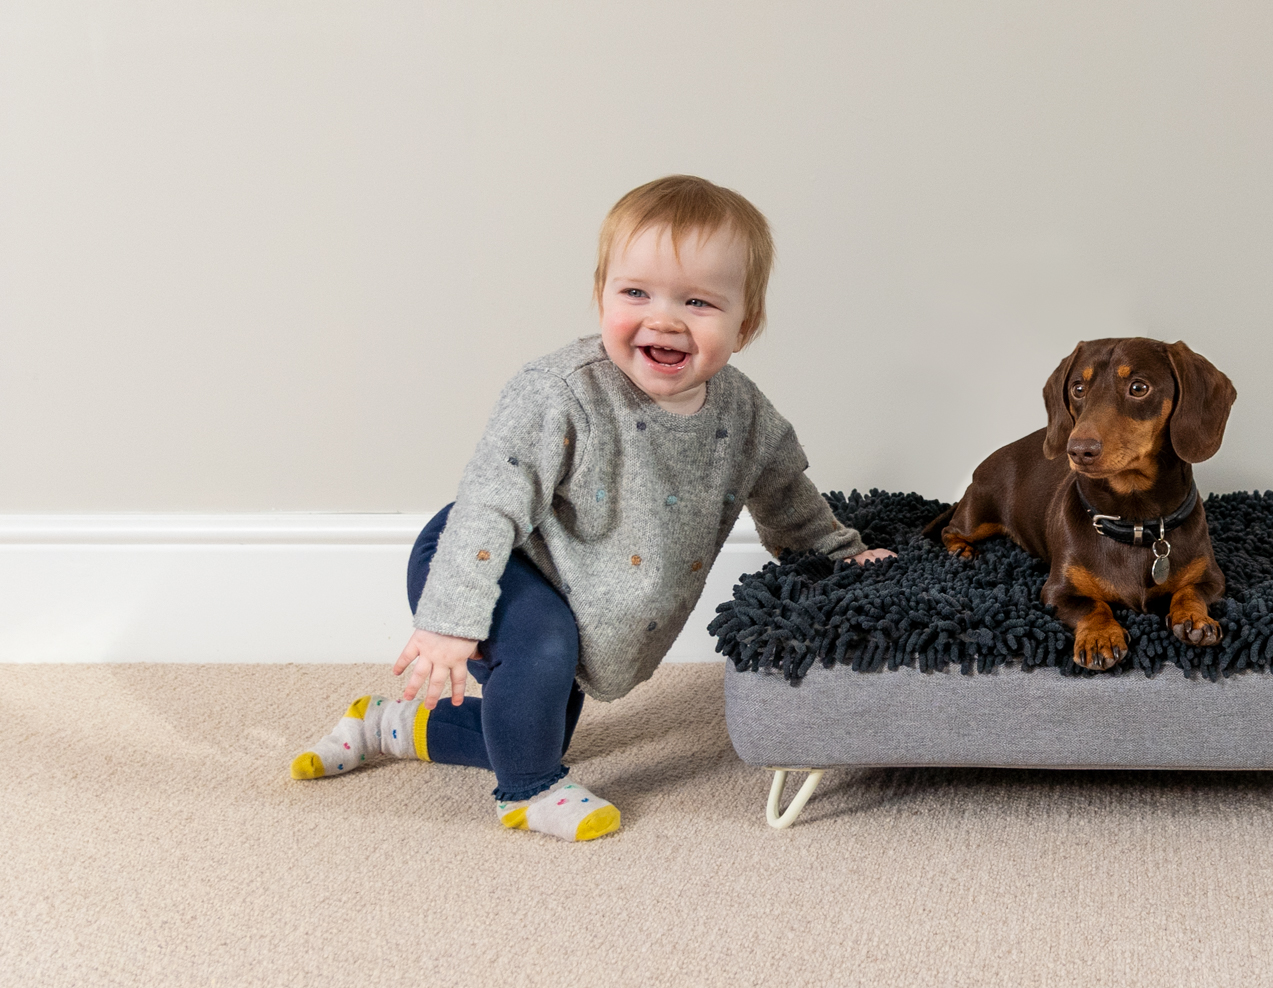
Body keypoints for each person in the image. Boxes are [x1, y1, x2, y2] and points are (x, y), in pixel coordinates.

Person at [289, 175, 893, 841]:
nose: (663, 318)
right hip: (492, 556)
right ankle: (527, 794)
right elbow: (490, 504)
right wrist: (451, 621)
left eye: (696, 301)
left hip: (585, 584)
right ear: (601, 294)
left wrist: (839, 555)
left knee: (531, 723)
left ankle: (386, 724)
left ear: (744, 325)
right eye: (636, 292)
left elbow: (788, 498)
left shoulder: (745, 417)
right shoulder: (560, 394)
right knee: (540, 658)